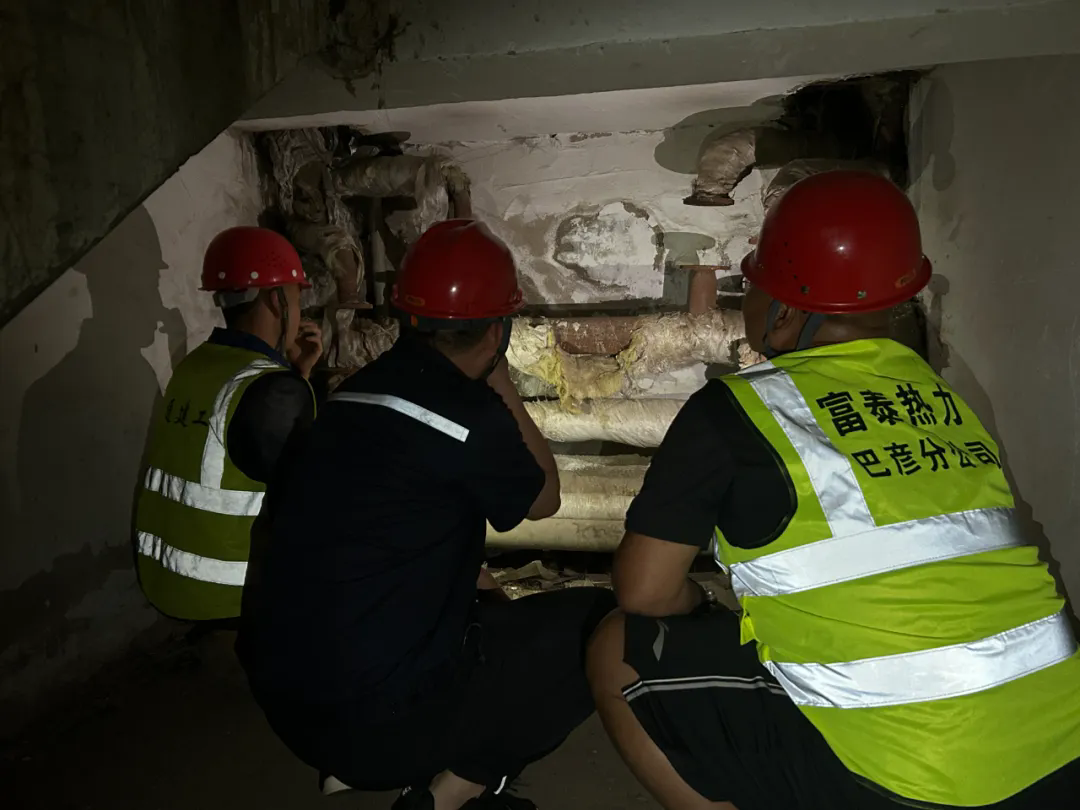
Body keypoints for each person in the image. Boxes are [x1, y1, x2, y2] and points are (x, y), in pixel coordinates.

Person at [585, 171, 1080, 810]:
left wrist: (700, 602)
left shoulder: (734, 410)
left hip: (913, 780)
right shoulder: (943, 400)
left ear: (787, 312)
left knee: (616, 646)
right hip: (1062, 748)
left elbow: (645, 592)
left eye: (753, 286)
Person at [238, 219, 615, 810]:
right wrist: (499, 380)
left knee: (489, 613)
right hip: (374, 726)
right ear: (498, 331)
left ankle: (366, 759)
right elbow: (544, 497)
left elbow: (393, 536)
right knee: (603, 627)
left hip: (286, 701)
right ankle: (450, 791)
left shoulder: (348, 397)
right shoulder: (468, 415)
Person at [134, 226, 322, 623]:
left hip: (163, 578)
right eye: (296, 297)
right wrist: (297, 383)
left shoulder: (196, 365)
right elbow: (312, 499)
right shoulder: (275, 391)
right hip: (229, 595)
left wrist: (296, 372)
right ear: (275, 299)